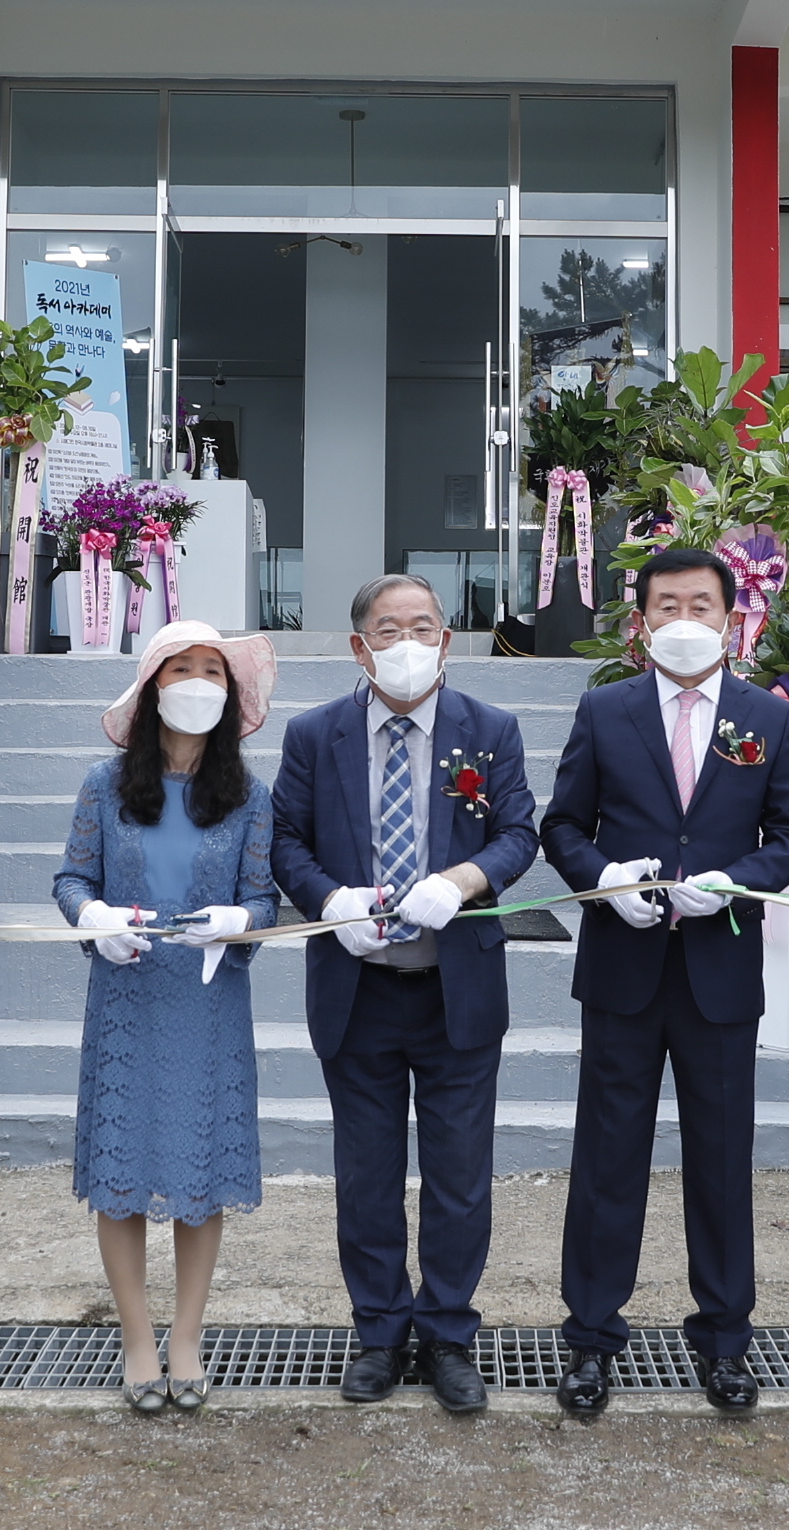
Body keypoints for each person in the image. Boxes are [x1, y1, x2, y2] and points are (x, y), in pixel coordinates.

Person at [539, 548, 789, 1414]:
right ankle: (588, 1339)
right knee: (606, 1159)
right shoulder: (605, 709)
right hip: (623, 969)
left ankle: (725, 1341)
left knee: (723, 1163)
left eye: (702, 603)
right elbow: (562, 826)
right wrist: (607, 878)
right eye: (667, 604)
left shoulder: (766, 716)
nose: (684, 618)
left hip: (719, 968)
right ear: (642, 620)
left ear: (734, 617)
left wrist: (742, 879)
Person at [268, 577, 538, 1414]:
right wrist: (327, 899)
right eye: (389, 629)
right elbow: (284, 837)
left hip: (455, 988)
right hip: (359, 986)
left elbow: (519, 831)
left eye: (423, 626)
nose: (408, 641)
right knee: (368, 1173)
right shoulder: (316, 735)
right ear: (360, 647)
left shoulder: (488, 731)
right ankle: (380, 1331)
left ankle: (450, 1332)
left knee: (459, 1176)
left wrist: (463, 879)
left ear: (447, 639)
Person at [54, 620, 283, 1413]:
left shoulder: (251, 795)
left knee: (200, 1174)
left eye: (211, 670)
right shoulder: (102, 782)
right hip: (125, 996)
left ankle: (186, 1335)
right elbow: (71, 878)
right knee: (121, 1177)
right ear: (152, 685)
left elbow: (264, 898)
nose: (196, 681)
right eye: (180, 667)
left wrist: (239, 921)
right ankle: (138, 1336)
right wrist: (94, 920)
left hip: (210, 1001)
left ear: (230, 691)